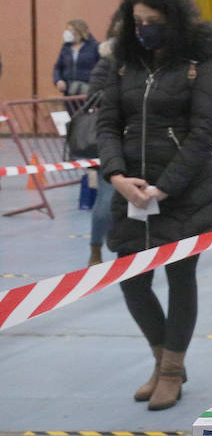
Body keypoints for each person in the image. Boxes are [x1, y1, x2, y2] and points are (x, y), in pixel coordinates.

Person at [97, 0, 212, 411]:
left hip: (185, 194)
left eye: (152, 21)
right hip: (130, 191)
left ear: (173, 20)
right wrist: (116, 176)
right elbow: (108, 124)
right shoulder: (123, 62)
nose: (143, 29)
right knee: (132, 282)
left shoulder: (199, 61)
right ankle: (161, 358)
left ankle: (171, 371)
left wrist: (165, 186)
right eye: (136, 21)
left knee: (180, 279)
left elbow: (204, 130)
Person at [83, 18, 121, 265]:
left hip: (143, 141)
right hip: (111, 141)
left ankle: (127, 252)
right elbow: (92, 98)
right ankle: (95, 247)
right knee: (105, 202)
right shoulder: (105, 63)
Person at [53, 19, 100, 96]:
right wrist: (58, 80)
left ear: (79, 31)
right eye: (67, 30)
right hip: (69, 91)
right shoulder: (66, 48)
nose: (67, 32)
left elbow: (101, 68)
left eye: (71, 29)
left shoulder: (95, 47)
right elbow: (58, 67)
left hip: (87, 91)